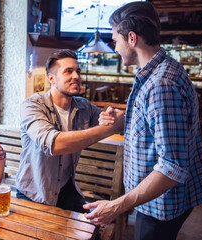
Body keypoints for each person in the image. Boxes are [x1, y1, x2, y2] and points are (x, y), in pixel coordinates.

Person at [83, 2, 202, 240]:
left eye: (115, 40)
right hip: (154, 200)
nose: (114, 47)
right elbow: (157, 126)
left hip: (160, 206)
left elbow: (172, 167)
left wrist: (117, 205)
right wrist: (125, 120)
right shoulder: (159, 71)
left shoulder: (162, 84)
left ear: (131, 38)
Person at [16, 49, 125, 213]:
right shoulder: (32, 106)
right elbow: (53, 145)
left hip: (66, 188)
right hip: (34, 194)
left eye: (78, 71)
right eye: (68, 71)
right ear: (51, 78)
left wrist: (116, 117)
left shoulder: (83, 106)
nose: (76, 76)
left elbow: (116, 123)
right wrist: (106, 130)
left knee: (94, 229)